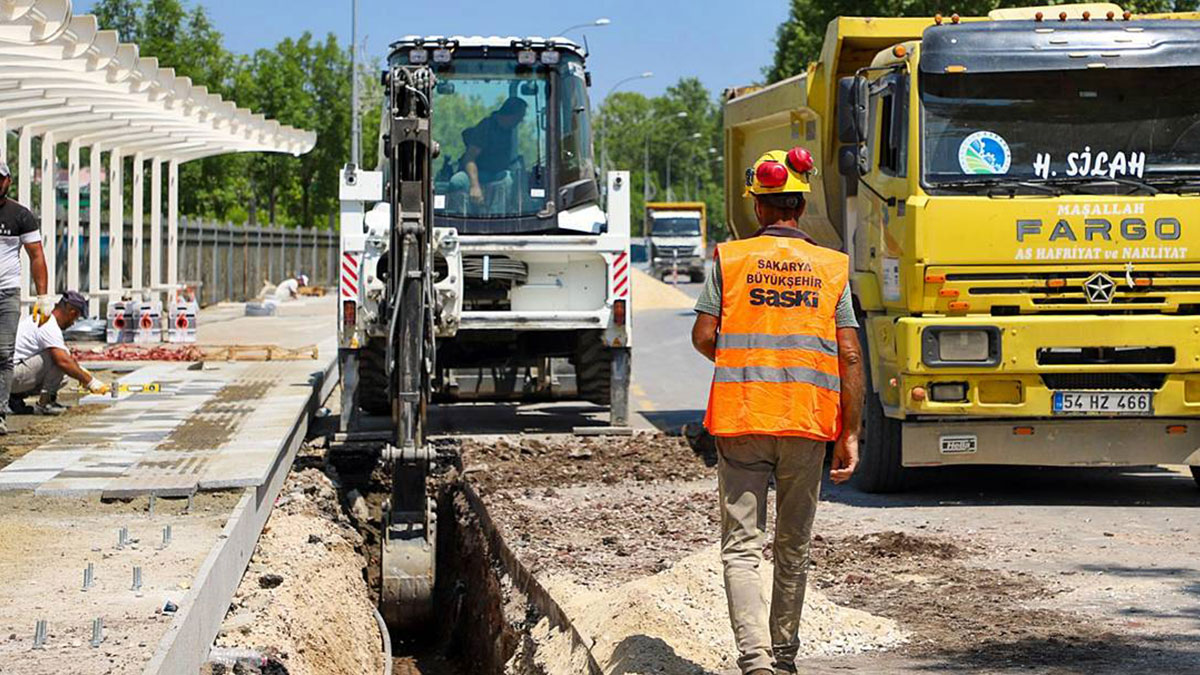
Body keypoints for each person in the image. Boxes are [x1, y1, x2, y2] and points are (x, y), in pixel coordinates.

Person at [690, 147, 864, 675]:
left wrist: (746, 359)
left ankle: (755, 661)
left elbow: (703, 335)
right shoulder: (831, 267)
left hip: (743, 418)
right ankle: (784, 658)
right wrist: (849, 432)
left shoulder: (731, 259)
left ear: (758, 206)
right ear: (801, 205)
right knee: (794, 545)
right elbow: (850, 354)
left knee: (742, 548)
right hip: (807, 423)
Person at [0, 159, 51, 434]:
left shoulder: (20, 215)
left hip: (7, 292)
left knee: (4, 352)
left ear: (8, 181)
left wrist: (42, 297)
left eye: (0, 179)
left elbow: (36, 255)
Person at [9, 290, 108, 415]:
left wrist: (80, 372)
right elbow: (62, 361)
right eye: (76, 318)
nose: (73, 323)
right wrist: (91, 382)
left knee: (64, 377)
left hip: (9, 375)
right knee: (57, 360)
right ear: (72, 312)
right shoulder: (48, 325)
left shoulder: (44, 319)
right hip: (10, 375)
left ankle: (14, 398)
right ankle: (46, 404)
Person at [449, 96, 528, 208]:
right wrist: (475, 186)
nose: (521, 121)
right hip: (477, 174)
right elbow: (470, 158)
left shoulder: (508, 131)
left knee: (508, 179)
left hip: (497, 175)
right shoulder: (486, 127)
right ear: (511, 114)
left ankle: (500, 216)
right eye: (520, 117)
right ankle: (461, 215)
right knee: (457, 181)